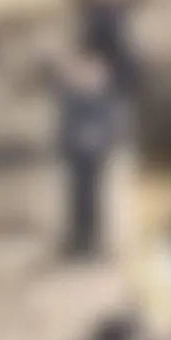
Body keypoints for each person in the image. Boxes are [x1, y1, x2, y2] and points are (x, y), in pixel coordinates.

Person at [49, 50, 122, 260]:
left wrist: (102, 143)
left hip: (94, 156)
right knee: (77, 199)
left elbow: (112, 127)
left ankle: (92, 241)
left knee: (94, 200)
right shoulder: (71, 97)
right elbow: (64, 127)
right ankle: (79, 240)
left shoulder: (102, 98)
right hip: (78, 156)